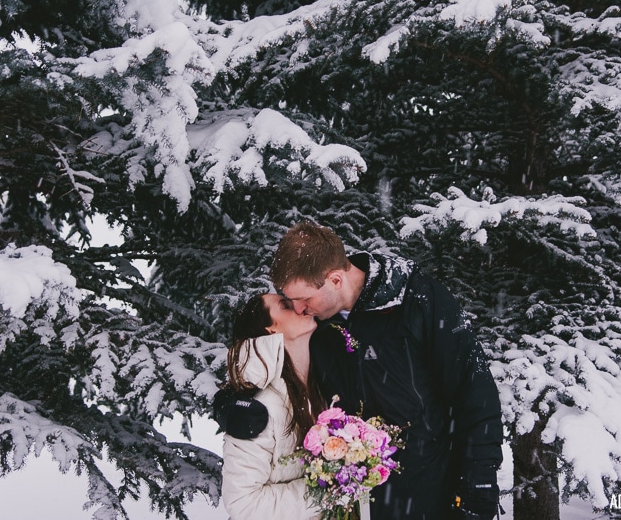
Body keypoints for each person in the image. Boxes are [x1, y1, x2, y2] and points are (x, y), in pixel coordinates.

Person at [269, 221, 503, 520]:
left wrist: (478, 488)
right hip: (353, 503)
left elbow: (474, 391)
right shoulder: (313, 325)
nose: (298, 309)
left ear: (336, 280)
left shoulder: (416, 300)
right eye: (292, 301)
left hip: (427, 493)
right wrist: (237, 404)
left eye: (304, 299)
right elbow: (261, 354)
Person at [215, 293, 326, 520]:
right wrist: (328, 491)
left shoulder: (325, 380)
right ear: (271, 329)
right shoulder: (258, 407)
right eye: (285, 306)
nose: (299, 306)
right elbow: (243, 504)